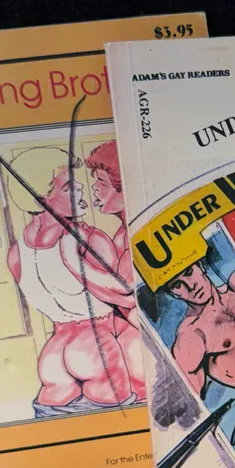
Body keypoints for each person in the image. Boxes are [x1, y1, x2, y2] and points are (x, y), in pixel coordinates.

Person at [4, 146, 136, 417]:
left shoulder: (16, 253)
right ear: (41, 198)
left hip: (53, 355)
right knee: (120, 419)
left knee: (55, 419)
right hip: (96, 344)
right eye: (69, 188)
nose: (81, 190)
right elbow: (128, 293)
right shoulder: (86, 238)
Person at [86, 140, 146, 400]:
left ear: (125, 189)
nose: (95, 188)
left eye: (101, 182)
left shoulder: (139, 233)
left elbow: (128, 295)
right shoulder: (121, 233)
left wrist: (79, 269)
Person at [163, 259, 235, 401]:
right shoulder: (191, 334)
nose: (191, 286)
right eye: (178, 285)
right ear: (173, 294)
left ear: (200, 266)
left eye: (189, 272)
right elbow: (191, 397)